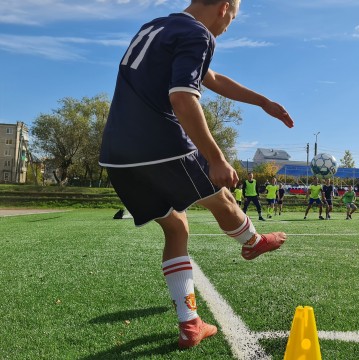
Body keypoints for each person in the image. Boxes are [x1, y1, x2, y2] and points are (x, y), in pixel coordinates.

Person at [98, 0, 294, 350]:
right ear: (222, 8)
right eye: (232, 19)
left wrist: (261, 101)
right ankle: (252, 242)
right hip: (159, 142)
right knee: (223, 197)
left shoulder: (155, 27)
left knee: (176, 227)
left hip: (118, 154)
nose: (227, 26)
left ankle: (190, 325)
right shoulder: (198, 33)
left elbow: (209, 77)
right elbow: (182, 97)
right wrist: (215, 157)